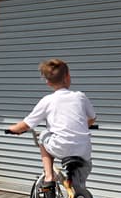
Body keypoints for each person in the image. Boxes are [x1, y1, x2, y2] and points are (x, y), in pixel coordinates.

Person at [7, 58, 96, 191]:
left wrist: (12, 129)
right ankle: (80, 197)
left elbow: (26, 124)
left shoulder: (47, 100)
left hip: (60, 146)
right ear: (68, 77)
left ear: (48, 82)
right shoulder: (80, 96)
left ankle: (49, 177)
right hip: (83, 149)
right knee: (79, 183)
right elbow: (92, 118)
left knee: (43, 136)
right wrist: (83, 125)